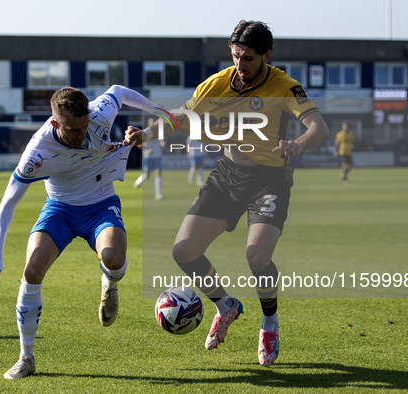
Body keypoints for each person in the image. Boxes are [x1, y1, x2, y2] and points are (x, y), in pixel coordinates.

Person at [125, 20, 329, 366]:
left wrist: (297, 143)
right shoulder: (216, 85)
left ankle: (269, 322)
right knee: (184, 251)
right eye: (236, 56)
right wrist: (144, 134)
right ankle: (225, 305)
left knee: (257, 257)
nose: (240, 65)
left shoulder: (285, 86)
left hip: (270, 180)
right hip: (228, 175)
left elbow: (318, 128)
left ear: (267, 55)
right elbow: (180, 118)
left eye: (248, 58)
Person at [0, 85, 173, 379]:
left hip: (100, 203)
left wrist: (158, 112)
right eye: (73, 129)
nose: (82, 133)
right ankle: (26, 357)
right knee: (32, 271)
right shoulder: (37, 152)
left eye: (85, 125)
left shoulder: (99, 113)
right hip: (59, 209)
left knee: (113, 258)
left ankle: (109, 284)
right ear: (55, 123)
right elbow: (8, 202)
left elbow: (119, 91)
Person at [133, 118, 164, 200]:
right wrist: (146, 149)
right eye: (151, 123)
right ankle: (138, 182)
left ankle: (158, 194)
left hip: (157, 156)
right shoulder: (144, 132)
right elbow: (138, 144)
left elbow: (162, 141)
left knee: (158, 172)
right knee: (147, 176)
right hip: (148, 157)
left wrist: (162, 145)